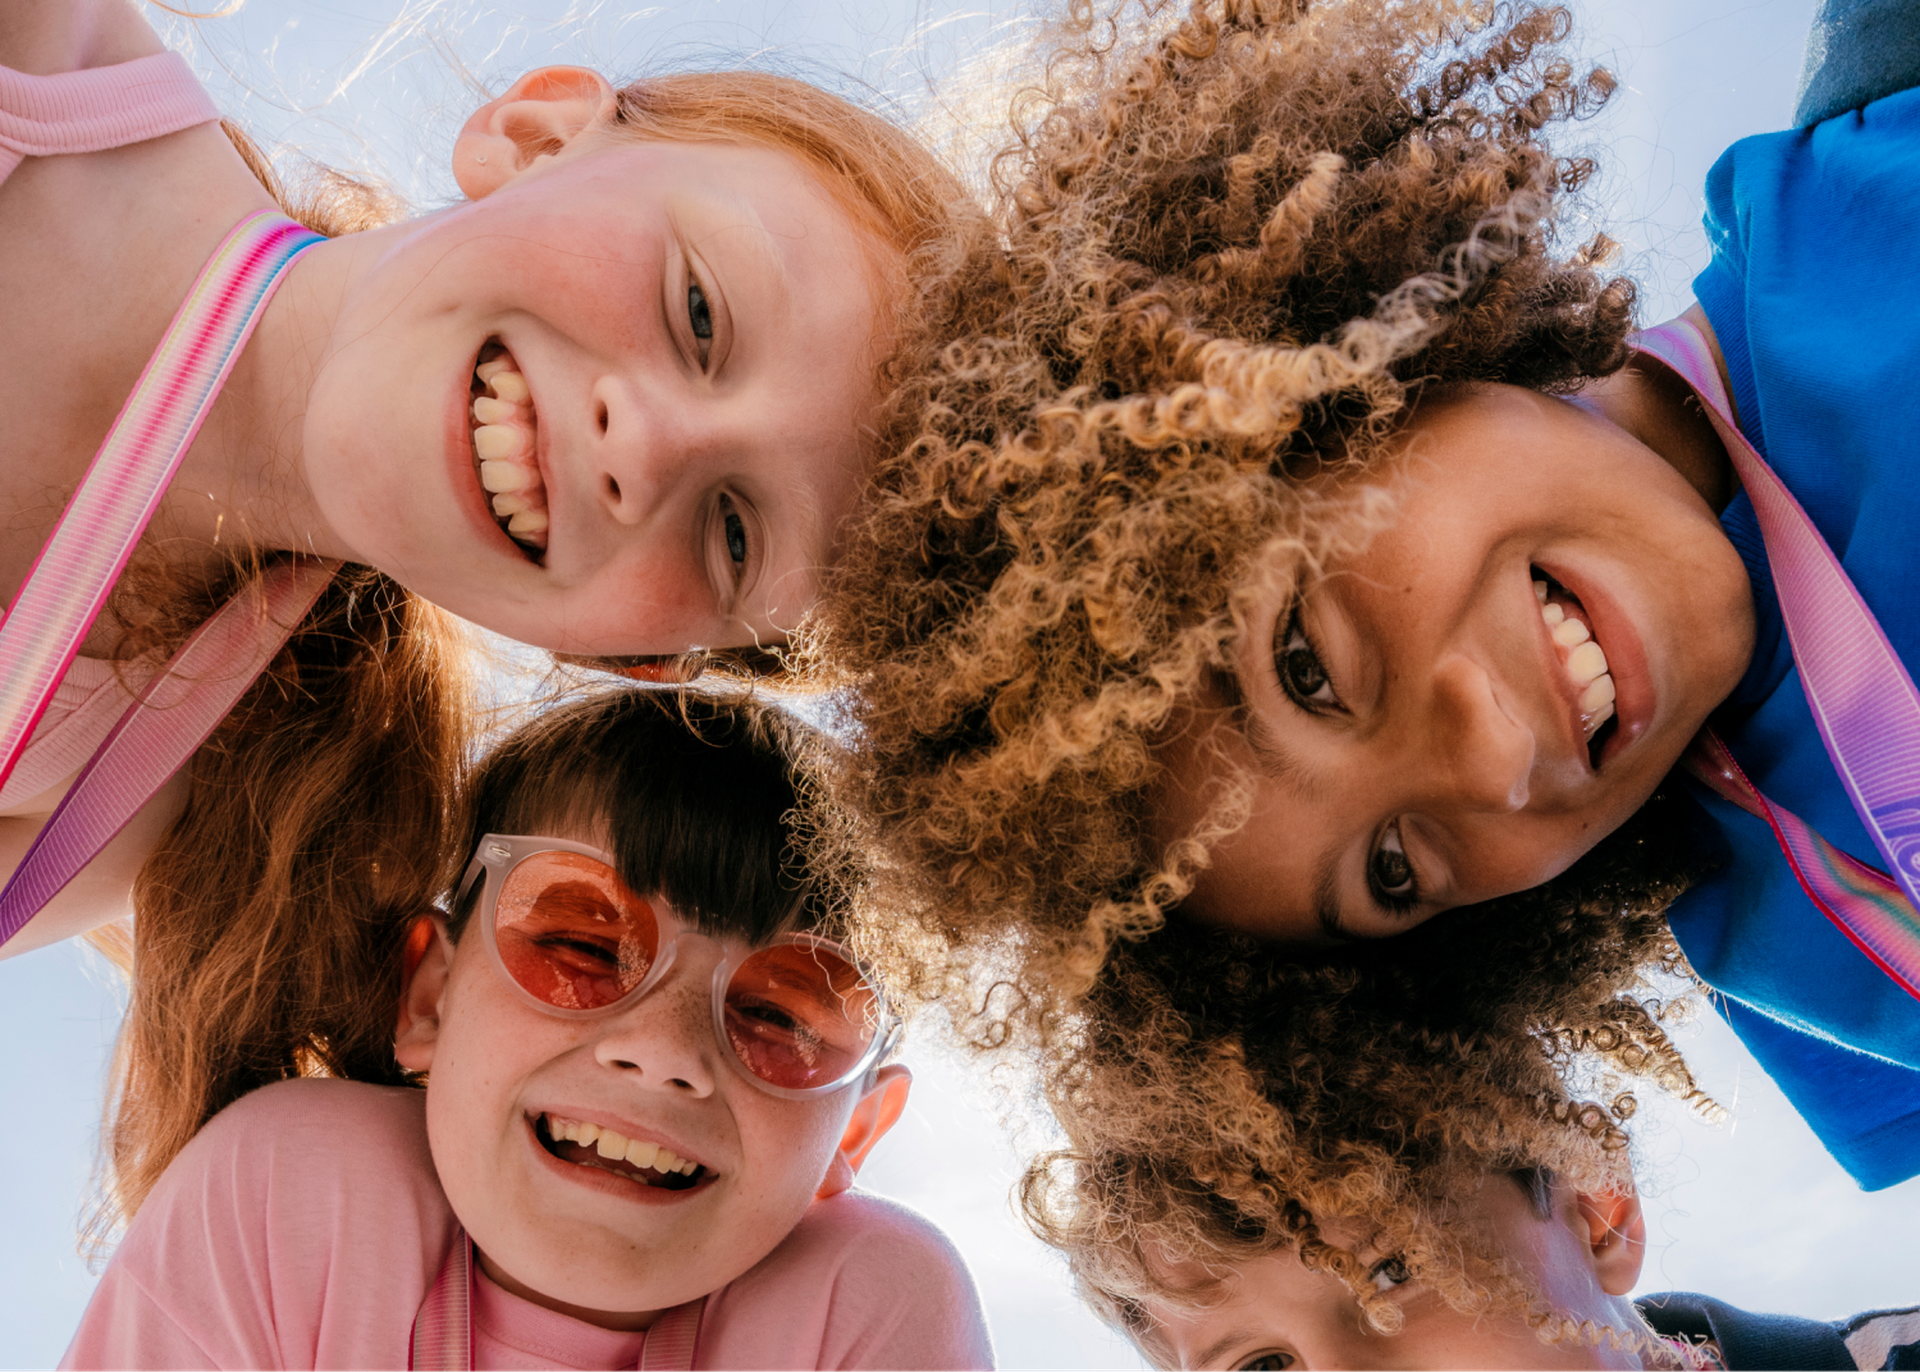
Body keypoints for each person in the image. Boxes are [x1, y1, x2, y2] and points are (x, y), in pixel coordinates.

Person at [804, 0, 1920, 1187]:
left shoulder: (1882, 139)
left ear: (1321, 364)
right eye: (1393, 871)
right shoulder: (1789, 968)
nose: (1494, 762)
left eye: (1308, 666)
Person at [0, 0, 970, 957]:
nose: (644, 448)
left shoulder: (110, 807)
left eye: (733, 537)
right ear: (536, 136)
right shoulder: (36, 48)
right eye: (700, 311)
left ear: (633, 656)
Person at [62, 687, 995, 1370]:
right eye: (585, 947)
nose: (666, 1052)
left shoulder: (867, 1304)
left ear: (859, 1129)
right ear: (429, 996)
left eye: (776, 1015)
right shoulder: (296, 1192)